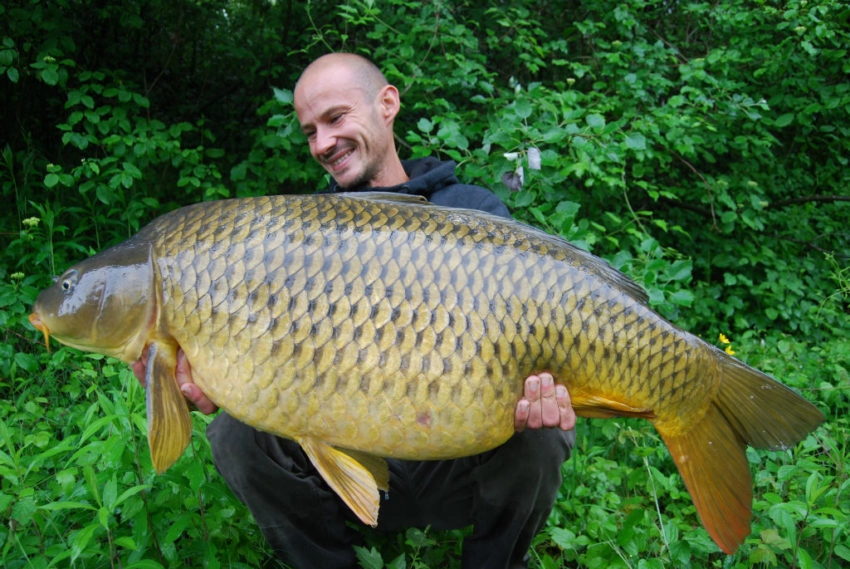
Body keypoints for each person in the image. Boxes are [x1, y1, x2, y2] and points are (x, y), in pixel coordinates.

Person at [133, 53, 577, 569]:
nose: (322, 143)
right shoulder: (301, 239)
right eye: (309, 132)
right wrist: (221, 375)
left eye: (336, 118)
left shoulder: (474, 213)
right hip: (347, 476)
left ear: (387, 103)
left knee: (544, 428)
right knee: (233, 434)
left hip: (456, 464)